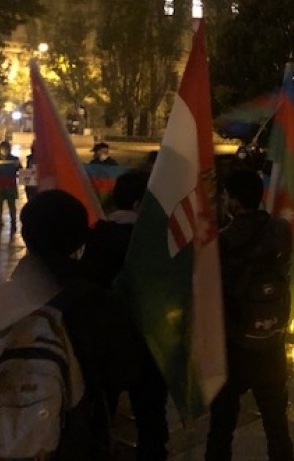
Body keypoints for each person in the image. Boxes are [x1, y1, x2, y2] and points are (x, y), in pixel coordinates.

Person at [0, 190, 144, 460]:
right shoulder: (99, 305)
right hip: (78, 447)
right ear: (80, 241)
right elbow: (125, 373)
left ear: (26, 235)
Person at [206, 170, 294, 461]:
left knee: (221, 425)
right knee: (276, 423)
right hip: (271, 338)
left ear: (233, 201)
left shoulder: (222, 242)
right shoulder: (281, 230)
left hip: (232, 343)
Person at [81, 170, 169, 461]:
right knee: (151, 416)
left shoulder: (95, 237)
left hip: (103, 343)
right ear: (138, 204)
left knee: (100, 414)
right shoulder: (155, 241)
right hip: (147, 341)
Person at [0, 140, 21, 232]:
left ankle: (13, 223)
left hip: (10, 185)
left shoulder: (14, 159)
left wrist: (17, 165)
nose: (4, 150)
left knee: (11, 205)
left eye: (6, 149)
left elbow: (20, 170)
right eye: (2, 149)